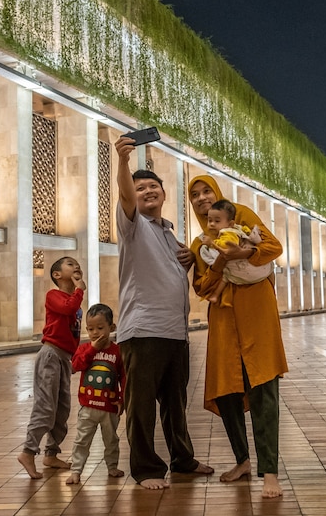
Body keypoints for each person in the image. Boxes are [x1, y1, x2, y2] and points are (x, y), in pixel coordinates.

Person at [114, 135, 213, 489]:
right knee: (141, 407)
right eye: (141, 188)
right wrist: (124, 163)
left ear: (164, 193)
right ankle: (146, 469)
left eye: (153, 186)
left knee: (175, 404)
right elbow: (125, 196)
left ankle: (182, 459)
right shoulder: (132, 226)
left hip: (175, 332)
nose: (147, 192)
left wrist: (188, 260)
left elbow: (171, 272)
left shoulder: (170, 234)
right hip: (143, 331)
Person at [187, 174, 288, 499]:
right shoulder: (200, 243)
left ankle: (269, 472)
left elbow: (273, 247)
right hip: (225, 323)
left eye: (206, 191)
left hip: (257, 317)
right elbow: (201, 287)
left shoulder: (240, 215)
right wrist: (219, 262)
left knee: (263, 391)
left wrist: (239, 255)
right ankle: (242, 460)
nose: (202, 198)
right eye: (195, 195)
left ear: (217, 194)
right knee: (227, 392)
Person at [17, 256, 86, 479]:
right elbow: (67, 309)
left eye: (77, 263)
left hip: (64, 358)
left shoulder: (74, 299)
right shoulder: (54, 296)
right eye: (70, 264)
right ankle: (28, 452)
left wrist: (74, 359)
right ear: (57, 275)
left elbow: (73, 334)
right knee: (46, 407)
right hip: (50, 356)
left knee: (62, 409)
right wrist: (79, 291)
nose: (76, 266)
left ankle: (51, 453)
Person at [66, 303, 126, 484]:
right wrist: (92, 349)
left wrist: (122, 399)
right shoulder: (84, 349)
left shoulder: (117, 351)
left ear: (112, 328)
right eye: (91, 329)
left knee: (111, 439)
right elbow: (75, 367)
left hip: (109, 406)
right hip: (88, 406)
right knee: (82, 440)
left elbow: (124, 377)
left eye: (100, 328)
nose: (95, 333)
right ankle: (76, 470)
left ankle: (112, 466)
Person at [198, 199, 272, 306]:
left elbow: (226, 245)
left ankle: (215, 295)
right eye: (210, 220)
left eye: (217, 221)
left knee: (226, 276)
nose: (212, 224)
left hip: (241, 267)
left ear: (230, 223)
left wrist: (211, 243)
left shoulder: (227, 232)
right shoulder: (237, 228)